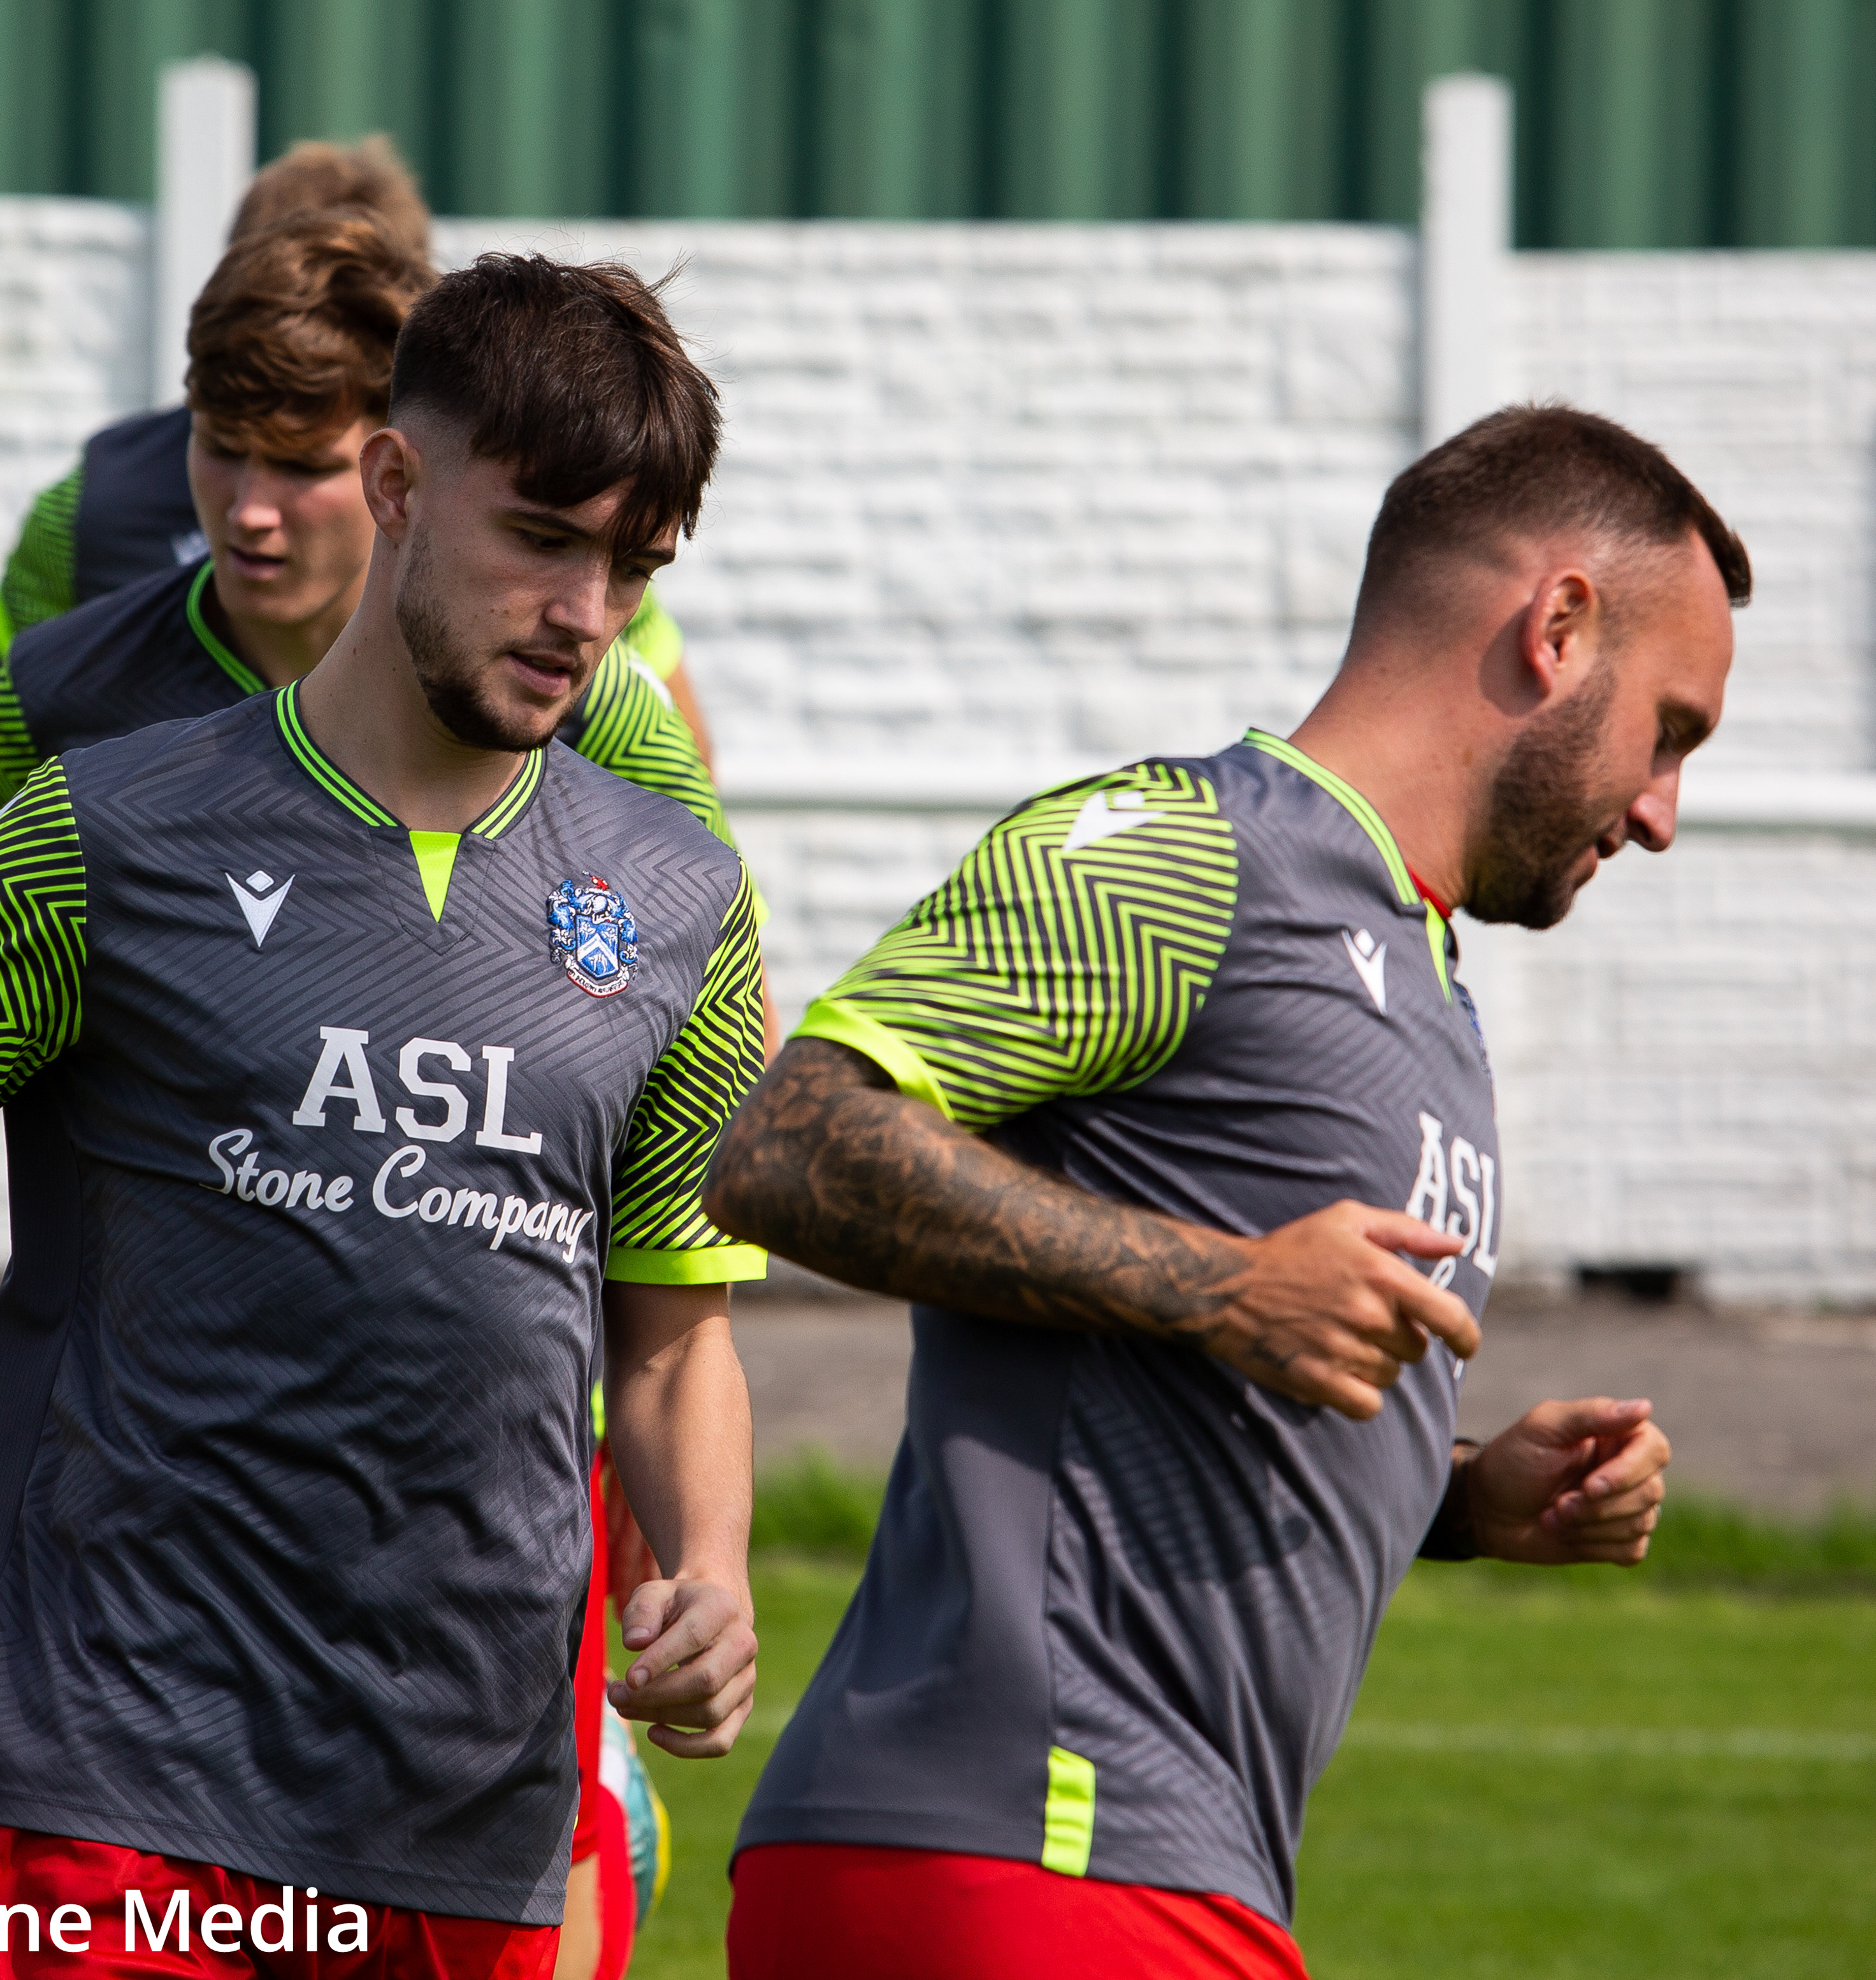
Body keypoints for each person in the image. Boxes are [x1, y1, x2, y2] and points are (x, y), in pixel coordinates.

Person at [0, 253, 766, 1980]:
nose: (586, 611)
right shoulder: (101, 832)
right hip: (123, 1772)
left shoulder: (679, 892)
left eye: (633, 564)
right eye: (541, 539)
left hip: (477, 1799)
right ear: (399, 481)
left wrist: (711, 1567)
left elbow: (672, 1338)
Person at [704, 404, 1745, 1980]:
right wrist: (1228, 1284)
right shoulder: (1191, 852)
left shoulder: (1421, 970)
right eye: (1667, 730)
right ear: (1556, 629)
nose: (1662, 811)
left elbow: (1186, 1402)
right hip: (1030, 1842)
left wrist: (1462, 1497)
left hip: (1133, 1864)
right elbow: (786, 1143)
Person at [0, 136, 719, 881]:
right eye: (224, 446)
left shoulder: (574, 622)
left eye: (302, 464)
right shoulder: (83, 554)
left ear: (395, 469)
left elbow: (698, 900)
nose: (251, 510)